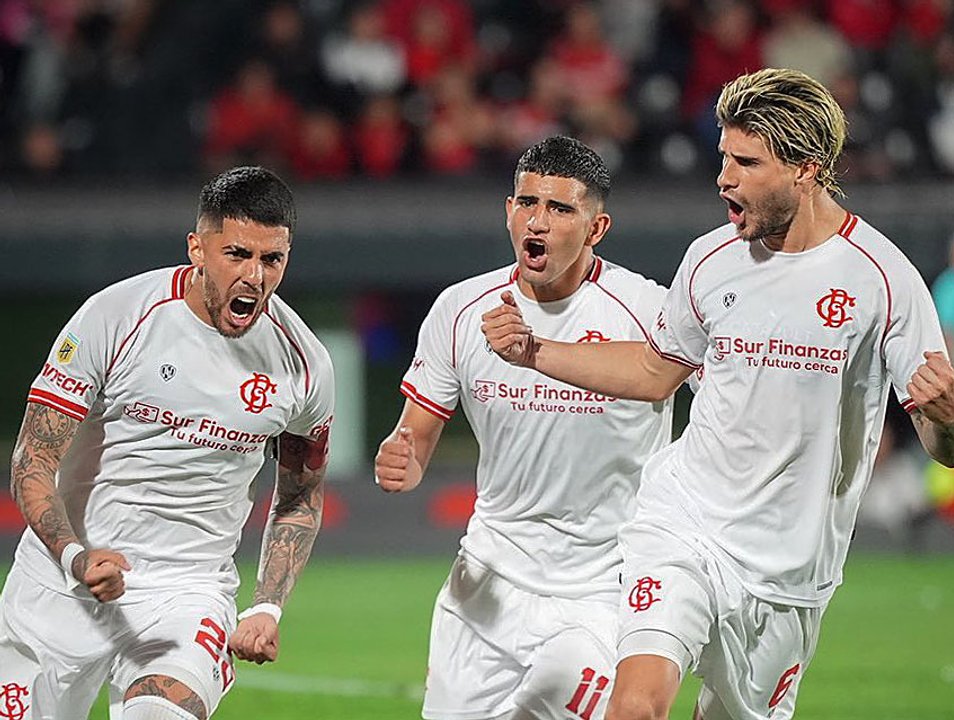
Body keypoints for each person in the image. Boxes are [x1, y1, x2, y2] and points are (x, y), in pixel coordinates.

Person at [482, 68, 954, 720]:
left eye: (746, 162)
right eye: (723, 157)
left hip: (791, 571)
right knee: (636, 707)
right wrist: (533, 352)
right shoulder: (710, 259)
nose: (723, 179)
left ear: (807, 169)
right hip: (684, 527)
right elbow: (654, 370)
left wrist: (948, 419)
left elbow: (941, 444)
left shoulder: (883, 279)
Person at [0, 166, 335, 720]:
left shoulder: (303, 365)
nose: (254, 276)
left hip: (185, 591)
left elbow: (301, 496)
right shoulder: (115, 317)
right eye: (237, 254)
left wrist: (267, 607)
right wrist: (76, 556)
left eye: (271, 259)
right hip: (60, 582)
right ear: (197, 248)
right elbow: (32, 460)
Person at [374, 135, 674, 720]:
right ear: (508, 211)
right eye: (528, 203)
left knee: (560, 699)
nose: (537, 221)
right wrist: (401, 458)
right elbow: (415, 438)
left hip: (601, 590)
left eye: (559, 208)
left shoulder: (648, 311)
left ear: (596, 228)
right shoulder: (460, 309)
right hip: (485, 585)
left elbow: (713, 398)